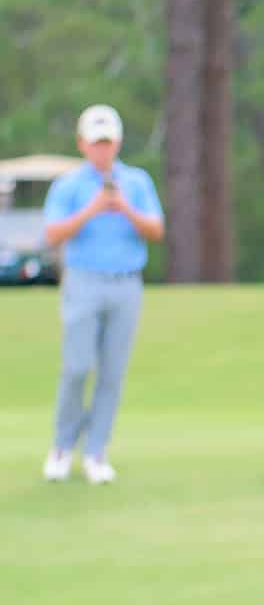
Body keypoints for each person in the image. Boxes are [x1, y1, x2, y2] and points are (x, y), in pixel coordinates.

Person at [40, 104, 165, 484]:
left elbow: (156, 231)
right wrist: (93, 208)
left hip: (126, 282)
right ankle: (62, 445)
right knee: (77, 367)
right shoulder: (69, 186)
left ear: (118, 143)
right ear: (82, 144)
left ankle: (96, 450)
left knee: (112, 372)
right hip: (83, 281)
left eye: (108, 142)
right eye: (96, 143)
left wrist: (122, 206)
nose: (102, 150)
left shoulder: (137, 182)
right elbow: (53, 235)